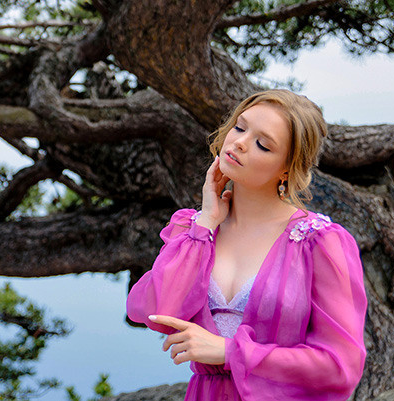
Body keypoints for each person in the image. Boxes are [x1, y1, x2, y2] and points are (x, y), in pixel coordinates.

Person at [126, 89, 367, 401]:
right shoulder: (193, 230)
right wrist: (207, 221)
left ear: (287, 168)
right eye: (239, 127)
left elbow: (341, 367)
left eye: (263, 144)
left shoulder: (320, 242)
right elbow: (157, 312)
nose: (239, 142)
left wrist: (231, 352)